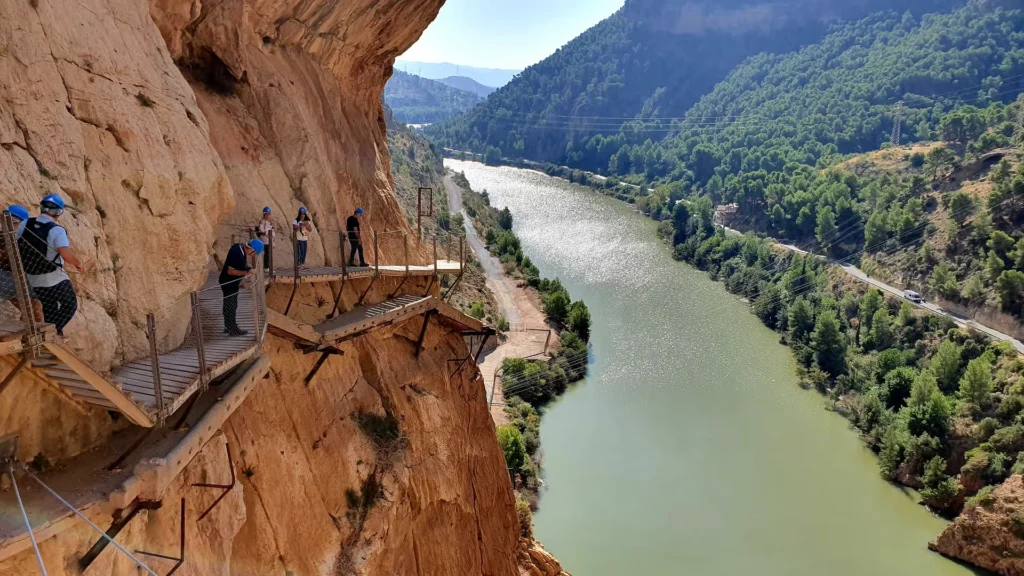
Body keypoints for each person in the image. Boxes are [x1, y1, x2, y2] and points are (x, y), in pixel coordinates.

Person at [19, 195, 84, 336]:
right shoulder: (57, 230)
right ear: (59, 212)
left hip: (32, 277)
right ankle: (50, 332)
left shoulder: (25, 224)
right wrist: (78, 263)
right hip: (53, 277)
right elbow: (65, 255)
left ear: (41, 207)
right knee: (70, 305)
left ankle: (52, 332)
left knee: (49, 306)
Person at [0, 206, 43, 322]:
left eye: (14, 220)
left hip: (26, 280)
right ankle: (34, 329)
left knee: (33, 307)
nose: (9, 223)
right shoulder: (4, 236)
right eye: (6, 219)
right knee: (32, 309)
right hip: (14, 280)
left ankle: (36, 329)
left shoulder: (25, 239)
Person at [219, 238, 263, 336]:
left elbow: (240, 264)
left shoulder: (239, 248)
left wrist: (248, 268)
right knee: (231, 305)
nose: (253, 255)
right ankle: (233, 329)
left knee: (229, 304)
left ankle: (228, 326)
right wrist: (245, 273)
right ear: (252, 250)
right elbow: (230, 271)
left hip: (230, 282)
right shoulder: (237, 252)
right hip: (228, 282)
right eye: (255, 253)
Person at [257, 206, 274, 271]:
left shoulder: (269, 221)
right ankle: (266, 267)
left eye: (270, 214)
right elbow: (261, 229)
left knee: (269, 254)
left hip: (269, 239)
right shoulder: (262, 221)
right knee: (267, 254)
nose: (269, 215)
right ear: (265, 214)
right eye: (268, 214)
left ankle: (268, 267)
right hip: (264, 240)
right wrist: (266, 233)